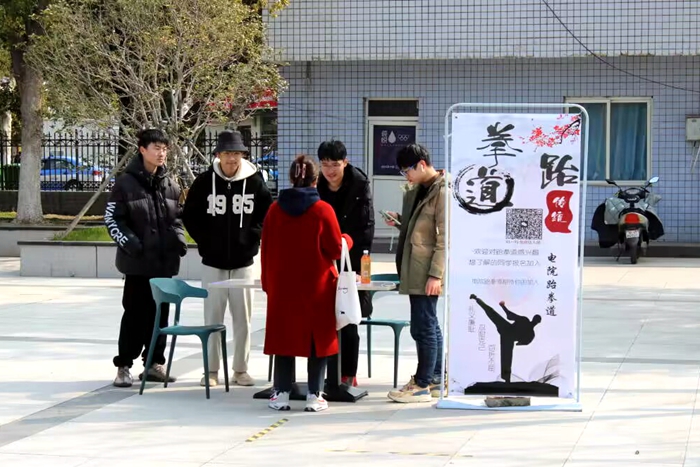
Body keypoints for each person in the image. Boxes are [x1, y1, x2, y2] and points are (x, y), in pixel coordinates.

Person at [261, 155, 354, 412]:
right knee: (316, 340)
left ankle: (281, 393)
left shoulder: (274, 210)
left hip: (282, 287)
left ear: (291, 178)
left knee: (284, 338)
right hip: (317, 286)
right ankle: (315, 395)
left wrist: (268, 283)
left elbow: (266, 248)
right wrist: (347, 239)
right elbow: (335, 249)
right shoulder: (323, 210)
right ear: (316, 180)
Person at [183, 130, 273, 388]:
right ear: (218, 155)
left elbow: (267, 215)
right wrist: (206, 240)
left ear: (243, 155)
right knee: (212, 319)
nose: (232, 159)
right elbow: (190, 215)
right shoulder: (204, 181)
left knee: (243, 319)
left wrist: (252, 237)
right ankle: (211, 371)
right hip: (213, 262)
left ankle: (240, 370)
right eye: (227, 153)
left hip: (244, 263)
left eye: (236, 153)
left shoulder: (255, 182)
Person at [107, 129, 188, 388]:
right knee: (134, 315)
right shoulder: (125, 183)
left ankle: (154, 363)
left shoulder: (170, 184)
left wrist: (179, 240)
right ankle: (123, 366)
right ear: (142, 149)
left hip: (164, 264)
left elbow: (176, 219)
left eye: (164, 148)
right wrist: (133, 245)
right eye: (156, 148)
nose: (161, 153)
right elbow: (113, 220)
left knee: (161, 315)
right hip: (137, 264)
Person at [383, 143, 447, 403]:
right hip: (417, 266)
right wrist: (400, 221)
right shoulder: (422, 189)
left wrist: (436, 274)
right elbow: (421, 230)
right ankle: (436, 378)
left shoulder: (442, 191)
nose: (405, 175)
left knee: (423, 326)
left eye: (407, 170)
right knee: (428, 323)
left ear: (421, 164)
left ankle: (421, 383)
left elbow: (445, 238)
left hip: (427, 270)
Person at [316, 139, 375, 387]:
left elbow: (366, 227)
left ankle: (348, 373)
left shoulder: (360, 185)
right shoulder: (316, 186)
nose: (330, 170)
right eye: (325, 165)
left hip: (352, 258)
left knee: (349, 316)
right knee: (324, 318)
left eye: (335, 165)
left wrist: (360, 267)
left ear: (345, 163)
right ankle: (325, 372)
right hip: (323, 260)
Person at [470, 295, 541, 383]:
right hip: (507, 330)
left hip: (508, 334)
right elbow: (511, 315)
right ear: (536, 321)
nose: (535, 321)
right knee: (492, 313)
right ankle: (477, 299)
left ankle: (507, 379)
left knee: (507, 358)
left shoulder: (530, 331)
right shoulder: (528, 328)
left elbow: (511, 316)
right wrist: (503, 306)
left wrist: (503, 306)